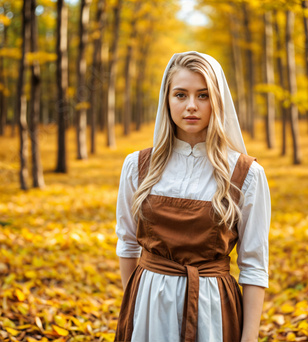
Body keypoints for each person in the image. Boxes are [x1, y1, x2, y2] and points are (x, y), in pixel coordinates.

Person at [114, 51, 271, 342]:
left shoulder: (246, 174)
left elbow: (254, 265)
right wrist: (135, 306)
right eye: (180, 94)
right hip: (148, 309)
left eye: (203, 95)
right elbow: (127, 243)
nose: (191, 106)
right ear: (167, 99)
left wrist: (248, 338)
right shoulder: (136, 166)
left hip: (213, 311)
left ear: (218, 100)